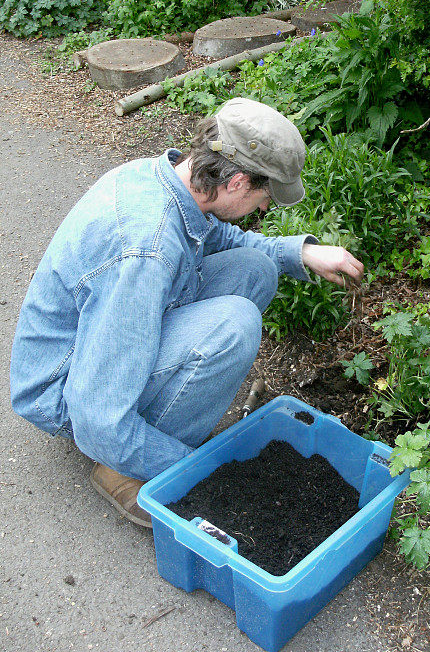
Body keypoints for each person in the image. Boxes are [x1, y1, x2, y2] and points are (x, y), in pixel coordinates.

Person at [10, 98, 363, 528]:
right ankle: (122, 467)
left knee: (256, 271)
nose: (265, 209)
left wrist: (302, 252)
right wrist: (203, 469)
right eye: (264, 195)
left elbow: (219, 239)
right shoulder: (147, 249)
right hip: (67, 390)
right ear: (235, 181)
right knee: (235, 326)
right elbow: (96, 415)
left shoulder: (170, 180)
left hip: (111, 330)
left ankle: (154, 415)